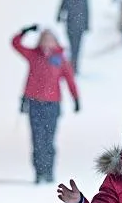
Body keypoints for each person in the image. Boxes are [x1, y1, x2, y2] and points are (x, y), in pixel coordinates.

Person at [12, 24, 80, 184]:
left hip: (52, 106)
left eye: (50, 40)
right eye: (44, 39)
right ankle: (38, 171)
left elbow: (70, 80)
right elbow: (15, 44)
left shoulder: (61, 59)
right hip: (34, 104)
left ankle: (48, 171)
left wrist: (76, 98)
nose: (47, 43)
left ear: (56, 42)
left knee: (49, 140)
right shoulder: (33, 55)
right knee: (37, 140)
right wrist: (25, 31)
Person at [57, 0, 90, 74]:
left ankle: (75, 67)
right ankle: (70, 66)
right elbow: (61, 7)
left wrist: (87, 25)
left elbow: (87, 11)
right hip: (70, 25)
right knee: (71, 46)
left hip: (80, 26)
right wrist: (59, 16)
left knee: (77, 47)